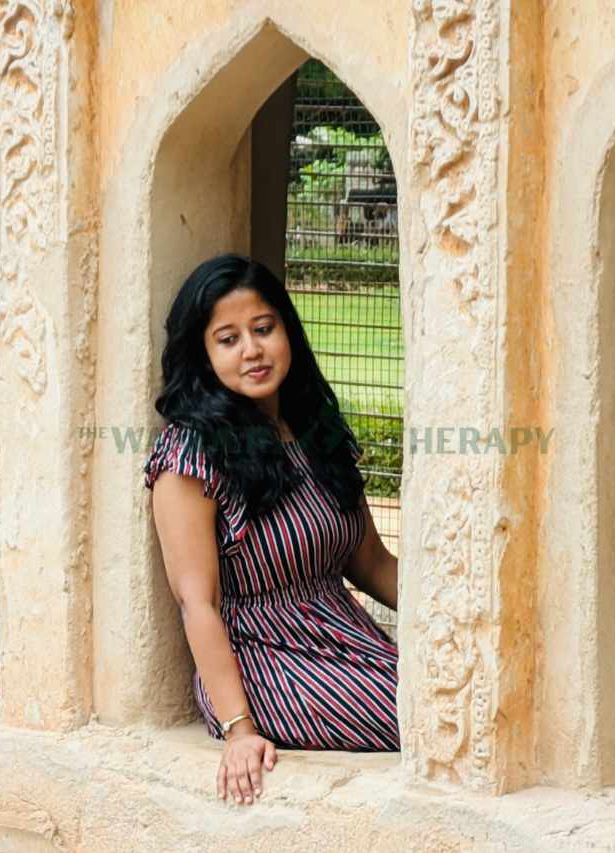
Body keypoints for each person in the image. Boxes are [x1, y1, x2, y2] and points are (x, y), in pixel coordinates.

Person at [144, 254, 400, 807]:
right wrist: (239, 730)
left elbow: (372, 563)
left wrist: (464, 624)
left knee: (459, 696)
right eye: (228, 339)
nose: (252, 351)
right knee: (422, 715)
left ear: (288, 330)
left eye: (263, 329)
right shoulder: (190, 455)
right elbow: (198, 604)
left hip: (344, 637)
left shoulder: (315, 429)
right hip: (262, 660)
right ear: (204, 355)